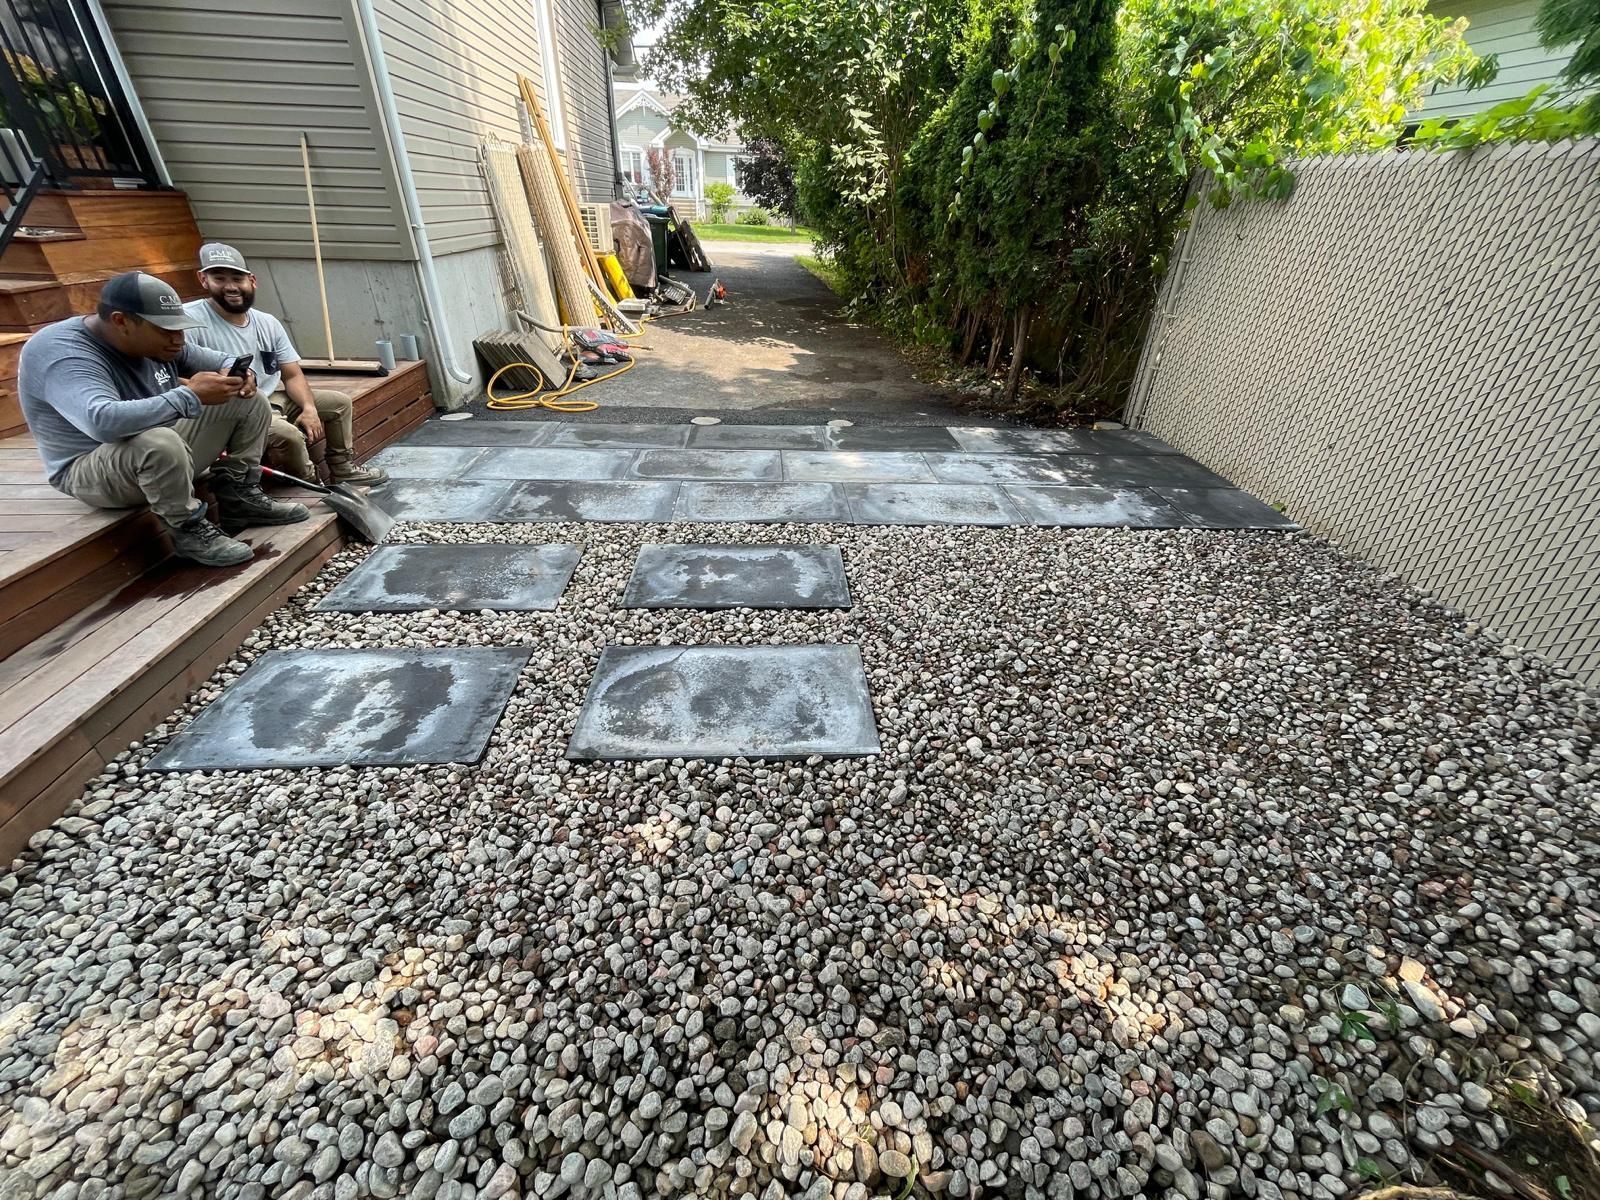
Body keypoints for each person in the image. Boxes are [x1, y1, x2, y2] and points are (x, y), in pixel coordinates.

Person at [18, 271, 309, 568]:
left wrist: (238, 372)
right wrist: (192, 396)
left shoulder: (156, 341)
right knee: (158, 441)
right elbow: (102, 421)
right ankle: (188, 529)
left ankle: (240, 497)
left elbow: (217, 359)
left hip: (156, 451)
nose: (178, 340)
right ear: (121, 321)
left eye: (181, 329)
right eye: (167, 330)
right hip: (90, 470)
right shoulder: (64, 353)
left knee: (249, 400)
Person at [183, 243, 387, 487]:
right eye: (219, 278)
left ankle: (343, 469)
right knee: (289, 435)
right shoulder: (190, 321)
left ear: (252, 281)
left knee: (339, 404)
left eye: (237, 278)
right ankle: (312, 484)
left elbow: (292, 375)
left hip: (273, 398)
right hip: (233, 409)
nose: (230, 286)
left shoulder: (267, 322)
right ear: (203, 280)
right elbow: (176, 376)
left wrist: (309, 407)